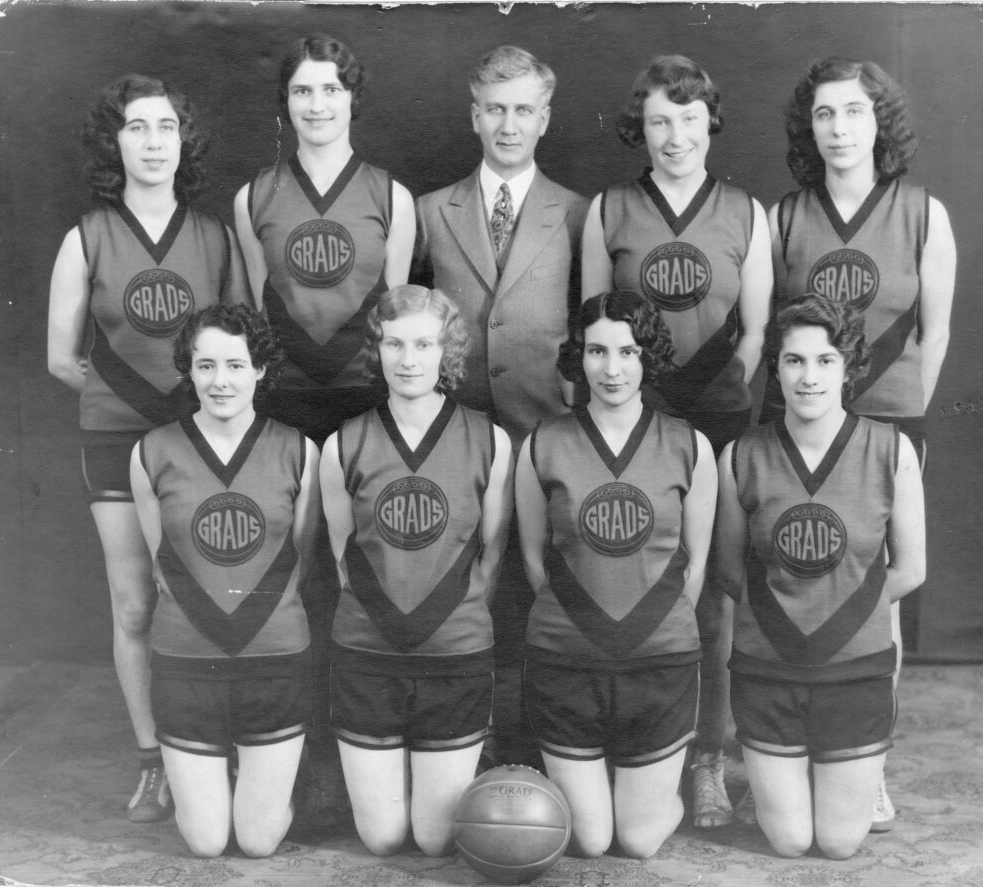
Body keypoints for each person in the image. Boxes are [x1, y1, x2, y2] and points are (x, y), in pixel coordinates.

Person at [759, 56, 956, 830]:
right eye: (824, 115)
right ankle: (790, 745)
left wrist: (897, 423)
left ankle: (867, 764)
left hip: (888, 421)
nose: (839, 129)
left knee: (875, 588)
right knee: (804, 569)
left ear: (882, 123)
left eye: (855, 112)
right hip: (801, 418)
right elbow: (777, 328)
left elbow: (935, 332)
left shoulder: (921, 212)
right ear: (809, 129)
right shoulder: (786, 216)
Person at [47, 74, 248, 822]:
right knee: (135, 604)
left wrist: (184, 418)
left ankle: (217, 750)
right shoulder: (86, 236)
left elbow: (233, 346)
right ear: (116, 141)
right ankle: (154, 759)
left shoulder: (214, 237)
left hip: (197, 443)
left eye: (166, 127)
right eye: (138, 127)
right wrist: (134, 409)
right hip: (114, 441)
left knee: (201, 596)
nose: (154, 141)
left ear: (183, 141)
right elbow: (61, 358)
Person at [580, 54, 773, 827]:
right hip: (632, 422)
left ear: (710, 122)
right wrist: (642, 406)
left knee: (712, 596)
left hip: (718, 422)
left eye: (689, 118)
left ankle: (706, 759)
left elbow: (756, 329)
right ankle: (621, 742)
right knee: (623, 574)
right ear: (641, 126)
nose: (675, 135)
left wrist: (708, 403)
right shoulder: (610, 208)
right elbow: (593, 319)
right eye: (660, 119)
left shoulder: (746, 210)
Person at [233, 34, 416, 820]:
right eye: (303, 91)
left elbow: (400, 323)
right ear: (287, 102)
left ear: (351, 100)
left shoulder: (390, 195)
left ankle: (362, 748)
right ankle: (302, 755)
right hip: (282, 408)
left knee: (360, 578)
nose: (316, 105)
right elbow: (253, 317)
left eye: (331, 91)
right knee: (291, 582)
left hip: (360, 406)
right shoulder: (253, 198)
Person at [411, 44, 589, 767]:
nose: (508, 125)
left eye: (523, 110)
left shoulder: (578, 213)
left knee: (552, 585)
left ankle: (554, 735)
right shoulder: (429, 211)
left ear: (544, 118)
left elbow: (587, 318)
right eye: (495, 109)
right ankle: (467, 728)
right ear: (473, 115)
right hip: (461, 434)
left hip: (548, 425)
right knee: (463, 583)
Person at [716, 295, 925, 859]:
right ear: (776, 368)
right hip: (767, 668)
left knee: (837, 844)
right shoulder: (740, 455)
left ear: (848, 366)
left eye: (825, 361)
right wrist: (786, 621)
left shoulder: (891, 450)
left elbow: (911, 568)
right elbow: (730, 568)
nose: (809, 377)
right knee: (787, 842)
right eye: (794, 361)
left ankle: (840, 773)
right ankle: (779, 773)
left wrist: (838, 618)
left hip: (854, 671)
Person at [516, 290, 717, 858]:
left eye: (628, 352)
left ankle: (655, 796)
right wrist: (582, 623)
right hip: (565, 660)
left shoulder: (689, 444)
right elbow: (533, 556)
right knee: (590, 838)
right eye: (598, 351)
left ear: (647, 356)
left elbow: (695, 562)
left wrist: (649, 628)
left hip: (660, 664)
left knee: (637, 841)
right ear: (578, 356)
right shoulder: (543, 442)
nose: (612, 369)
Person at [319, 285, 513, 857]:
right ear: (376, 349)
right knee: (380, 839)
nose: (408, 360)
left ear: (446, 351)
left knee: (434, 840)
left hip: (455, 658)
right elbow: (341, 555)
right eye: (395, 343)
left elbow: (492, 553)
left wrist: (448, 620)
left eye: (424, 344)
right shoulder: (342, 444)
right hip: (366, 657)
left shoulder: (490, 440)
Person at [129, 304, 320, 857]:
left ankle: (285, 777)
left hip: (275, 663)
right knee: (207, 842)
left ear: (260, 370)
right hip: (186, 665)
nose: (220, 381)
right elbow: (161, 559)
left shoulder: (299, 450)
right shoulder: (151, 452)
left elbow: (299, 561)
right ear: (188, 369)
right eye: (205, 365)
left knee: (258, 842)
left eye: (236, 365)